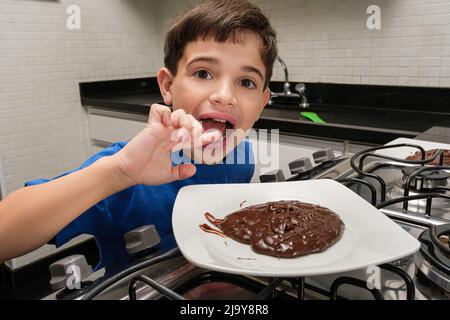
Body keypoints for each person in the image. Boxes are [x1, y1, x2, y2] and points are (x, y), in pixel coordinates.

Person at [0, 0, 277, 271]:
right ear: (168, 86)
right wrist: (118, 173)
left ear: (262, 103)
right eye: (203, 73)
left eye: (246, 82)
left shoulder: (244, 155)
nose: (224, 96)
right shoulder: (127, 176)